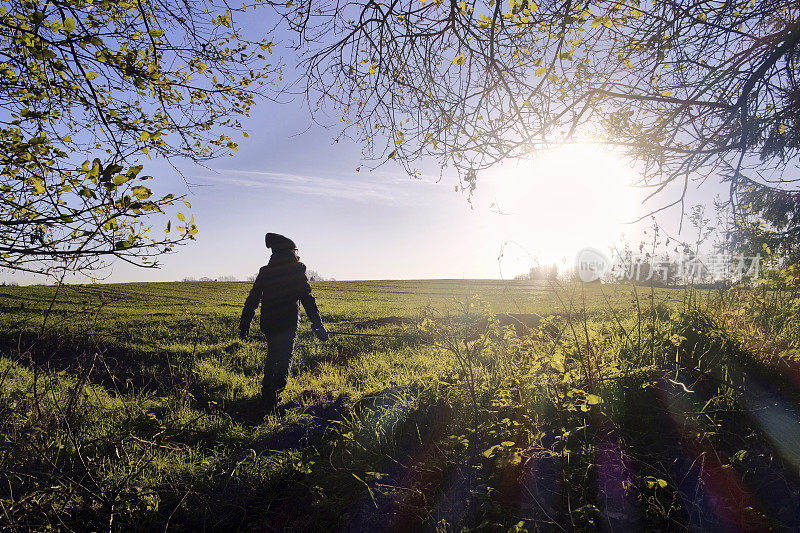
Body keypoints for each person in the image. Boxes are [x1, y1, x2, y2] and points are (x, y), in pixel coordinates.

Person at [239, 232, 329, 412]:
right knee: (284, 358)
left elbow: (253, 299)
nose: (298, 255)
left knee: (273, 357)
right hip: (288, 323)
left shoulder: (265, 271)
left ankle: (267, 395)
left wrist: (245, 323)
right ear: (290, 252)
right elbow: (308, 299)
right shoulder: (296, 269)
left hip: (269, 323)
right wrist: (318, 326)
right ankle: (273, 395)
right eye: (296, 251)